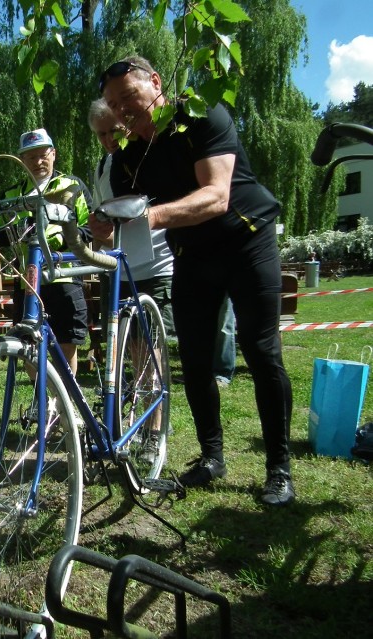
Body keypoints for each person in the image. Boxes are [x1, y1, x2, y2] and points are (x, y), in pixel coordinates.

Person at [100, 55, 295, 505]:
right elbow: (122, 208)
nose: (122, 110)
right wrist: (102, 222)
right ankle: (211, 457)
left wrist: (150, 216)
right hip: (192, 254)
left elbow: (216, 196)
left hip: (245, 239)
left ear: (155, 82)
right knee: (195, 360)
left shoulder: (201, 113)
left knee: (260, 350)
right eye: (113, 103)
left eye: (129, 96)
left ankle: (278, 469)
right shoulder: (127, 157)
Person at [0, 128, 91, 374]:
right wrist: (17, 232)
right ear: (22, 161)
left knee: (67, 345)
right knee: (28, 346)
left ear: (54, 154)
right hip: (28, 282)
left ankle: (63, 405)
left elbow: (91, 228)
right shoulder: (9, 195)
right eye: (30, 157)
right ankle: (42, 405)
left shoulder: (72, 185)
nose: (37, 162)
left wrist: (64, 238)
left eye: (42, 155)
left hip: (65, 277)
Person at [88, 99, 175, 339]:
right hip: (118, 270)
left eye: (114, 130)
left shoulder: (151, 156)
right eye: (101, 134)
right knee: (127, 347)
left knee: (151, 345)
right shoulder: (102, 167)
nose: (108, 140)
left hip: (157, 268)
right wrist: (98, 234)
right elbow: (102, 220)